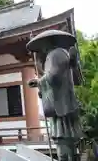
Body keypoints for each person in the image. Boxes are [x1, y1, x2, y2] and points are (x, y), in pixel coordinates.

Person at [26, 30, 82, 161]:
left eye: (43, 45)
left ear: (48, 43)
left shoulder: (53, 55)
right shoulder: (63, 53)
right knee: (70, 137)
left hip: (59, 105)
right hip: (67, 102)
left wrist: (38, 82)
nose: (41, 49)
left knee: (61, 137)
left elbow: (53, 76)